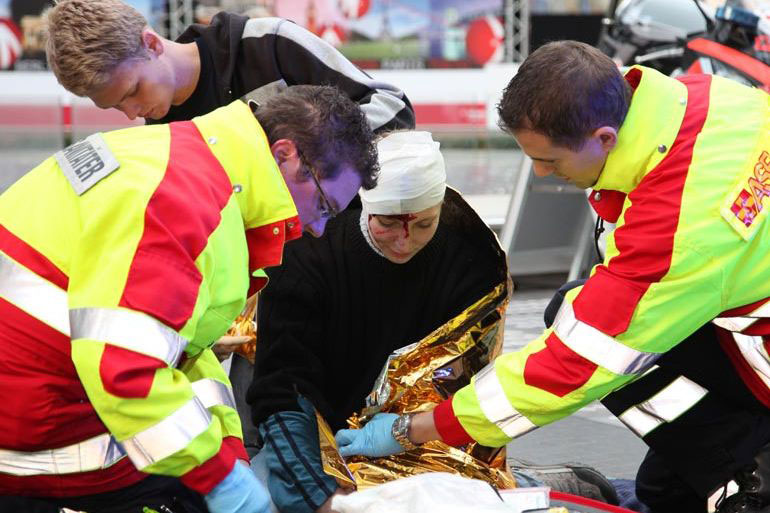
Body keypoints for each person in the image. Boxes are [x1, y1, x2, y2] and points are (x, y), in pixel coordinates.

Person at [335, 40, 770, 513]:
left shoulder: (679, 227)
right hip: (742, 302)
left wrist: (415, 428)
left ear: (604, 137)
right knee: (660, 482)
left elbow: (572, 366)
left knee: (602, 350)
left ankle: (748, 468)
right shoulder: (703, 100)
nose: (541, 173)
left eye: (552, 161)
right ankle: (704, 472)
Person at [0, 85, 377, 513]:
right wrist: (220, 478)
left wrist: (229, 452)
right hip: (32, 434)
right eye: (325, 207)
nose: (318, 230)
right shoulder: (186, 207)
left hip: (41, 391)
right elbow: (126, 370)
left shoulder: (180, 157)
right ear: (284, 155)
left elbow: (181, 351)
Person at [246, 130, 618, 513]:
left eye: (424, 225)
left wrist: (415, 440)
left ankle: (538, 486)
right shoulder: (310, 252)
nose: (404, 242)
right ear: (365, 206)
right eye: (387, 223)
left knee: (452, 500)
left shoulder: (470, 252)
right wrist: (322, 498)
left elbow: (468, 383)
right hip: (320, 431)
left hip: (421, 430)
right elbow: (284, 390)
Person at [43, 0, 414, 132]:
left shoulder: (269, 43)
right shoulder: (163, 137)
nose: (131, 113)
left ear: (152, 43)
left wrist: (311, 149)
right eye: (116, 107)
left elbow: (393, 109)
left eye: (132, 92)